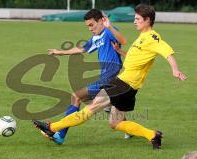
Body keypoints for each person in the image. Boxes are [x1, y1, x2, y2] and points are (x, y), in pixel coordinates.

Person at [33, 4, 187, 149]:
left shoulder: (152, 37)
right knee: (115, 123)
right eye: (134, 18)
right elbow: (135, 59)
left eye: (138, 19)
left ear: (147, 20)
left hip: (122, 83)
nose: (134, 21)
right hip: (130, 87)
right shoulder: (141, 38)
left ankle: (52, 127)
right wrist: (120, 52)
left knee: (91, 106)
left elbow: (168, 52)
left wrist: (175, 69)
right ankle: (153, 135)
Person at [46, 9, 128, 144]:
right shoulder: (96, 37)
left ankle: (60, 134)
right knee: (109, 105)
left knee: (76, 96)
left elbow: (122, 41)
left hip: (110, 74)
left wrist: (110, 26)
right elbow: (82, 49)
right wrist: (60, 52)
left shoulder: (108, 31)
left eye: (91, 25)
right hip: (107, 76)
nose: (90, 29)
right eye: (87, 26)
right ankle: (128, 128)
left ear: (101, 21)